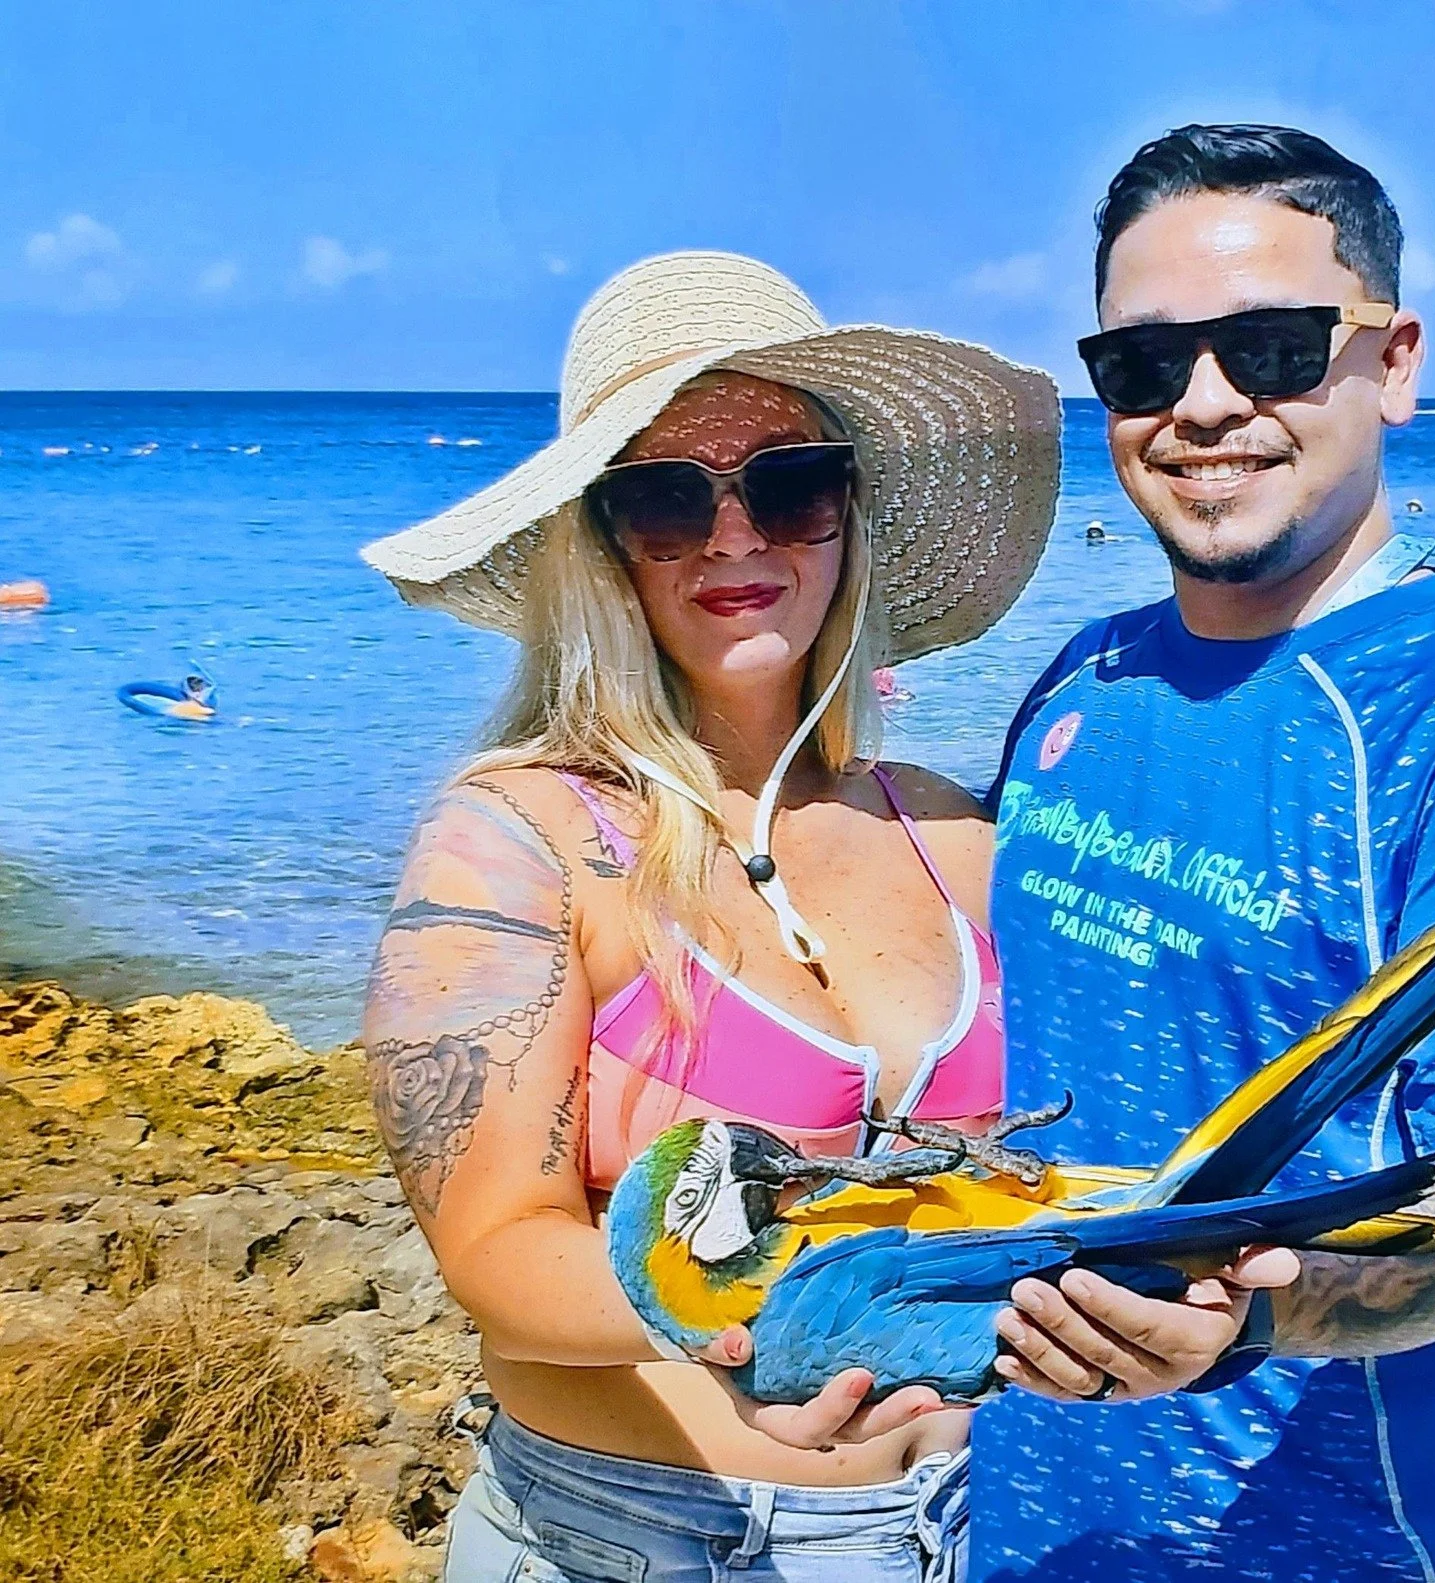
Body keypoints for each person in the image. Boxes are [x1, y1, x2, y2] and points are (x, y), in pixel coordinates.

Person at [974, 125, 1435, 1582]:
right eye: (1143, 363)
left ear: (1396, 362)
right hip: (1034, 1526)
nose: (1205, 404)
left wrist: (1249, 1314)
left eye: (1273, 348)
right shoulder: (1079, 679)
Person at [358, 250, 1061, 1583]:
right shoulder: (520, 839)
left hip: (965, 1528)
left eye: (789, 485)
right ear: (603, 543)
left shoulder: (950, 828)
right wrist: (764, 1321)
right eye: (670, 498)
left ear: (847, 514)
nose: (737, 537)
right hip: (630, 1539)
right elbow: (496, 1250)